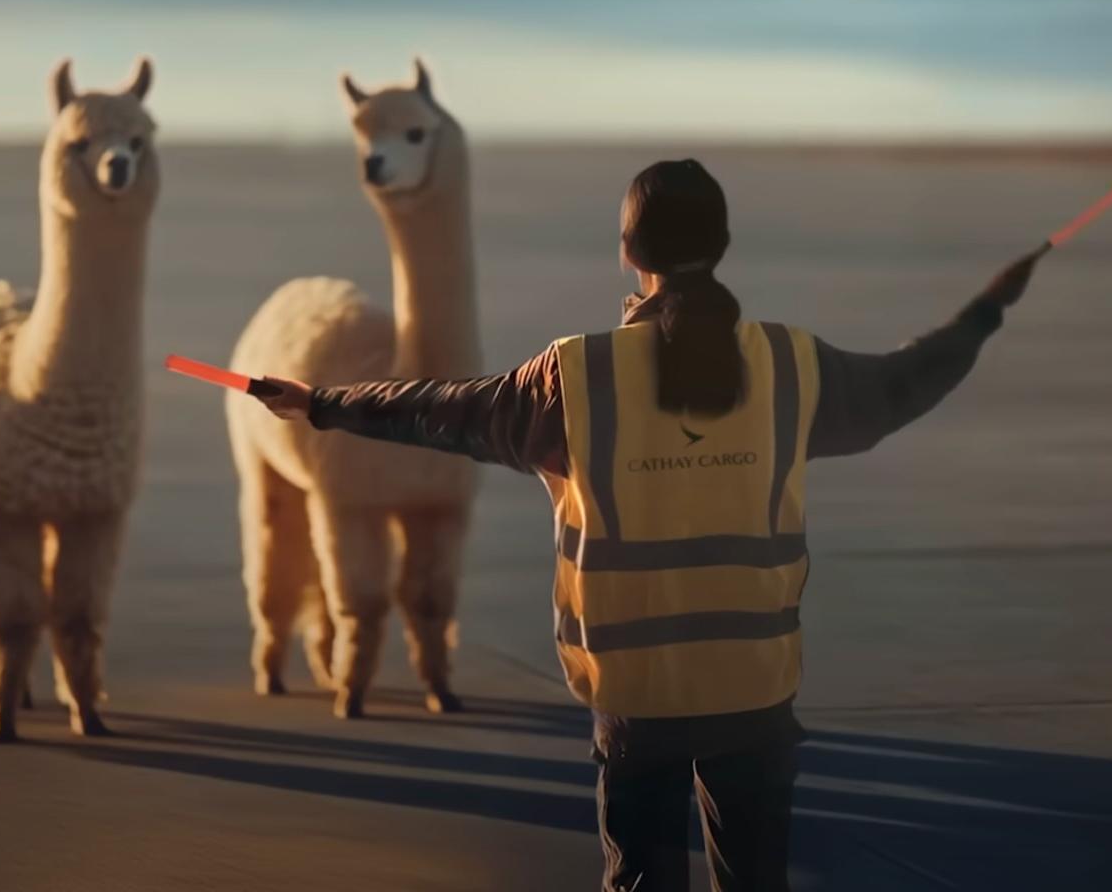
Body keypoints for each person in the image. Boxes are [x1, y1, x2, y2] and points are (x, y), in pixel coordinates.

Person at [251, 158, 1042, 892]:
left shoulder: (574, 377)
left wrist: (324, 404)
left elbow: (441, 410)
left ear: (628, 251)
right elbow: (905, 384)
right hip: (754, 683)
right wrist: (985, 313)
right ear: (722, 246)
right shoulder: (789, 366)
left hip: (636, 691)